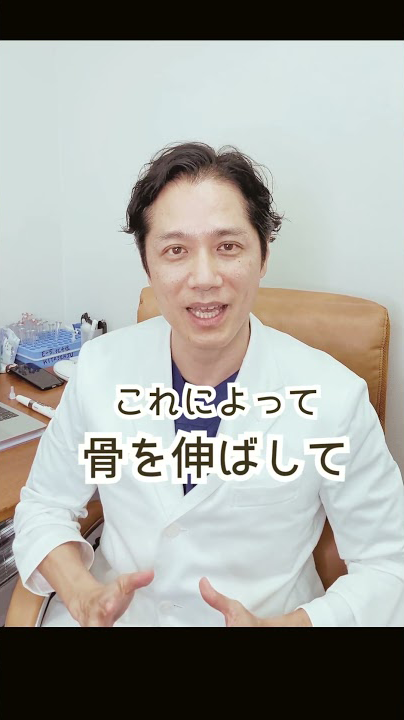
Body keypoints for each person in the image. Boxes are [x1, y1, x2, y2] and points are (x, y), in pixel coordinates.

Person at [12, 142, 404, 627]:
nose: (204, 278)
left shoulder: (334, 398)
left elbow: (389, 566)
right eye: (176, 250)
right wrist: (82, 593)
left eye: (228, 247)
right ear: (147, 265)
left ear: (263, 255)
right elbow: (45, 505)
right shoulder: (99, 368)